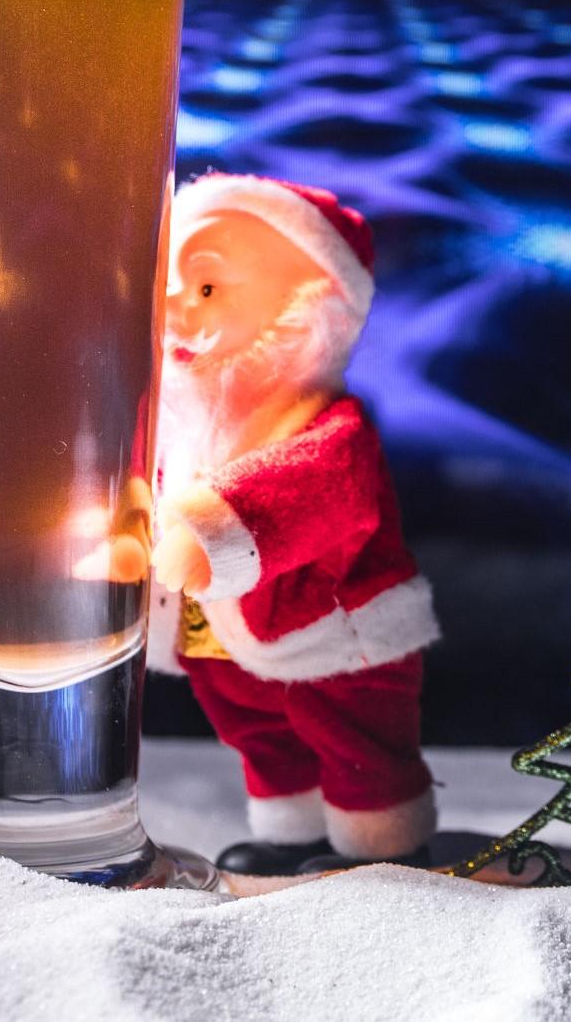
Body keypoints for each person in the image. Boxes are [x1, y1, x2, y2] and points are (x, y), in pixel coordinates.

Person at [148, 173, 440, 875]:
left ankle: (382, 843)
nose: (181, 309)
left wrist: (209, 529)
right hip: (223, 631)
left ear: (311, 303)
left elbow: (310, 489)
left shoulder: (331, 428)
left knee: (354, 738)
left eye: (209, 288)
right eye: (173, 289)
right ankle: (291, 827)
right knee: (258, 730)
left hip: (332, 635)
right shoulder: (187, 422)